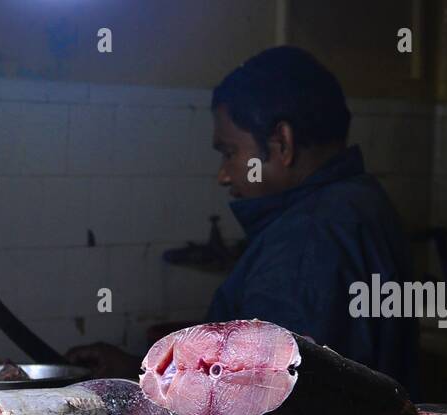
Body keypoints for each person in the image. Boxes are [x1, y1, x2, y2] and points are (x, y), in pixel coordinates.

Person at [68, 46, 420, 394]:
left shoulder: (305, 240)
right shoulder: (361, 200)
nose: (223, 175)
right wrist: (141, 370)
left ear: (282, 142)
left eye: (230, 152)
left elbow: (265, 398)